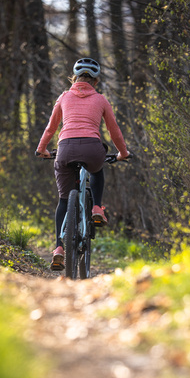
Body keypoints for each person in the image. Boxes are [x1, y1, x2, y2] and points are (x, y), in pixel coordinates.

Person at [35, 57, 130, 271]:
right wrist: (123, 153)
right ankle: (97, 207)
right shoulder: (101, 100)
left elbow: (51, 128)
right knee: (97, 168)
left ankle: (59, 248)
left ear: (74, 78)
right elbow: (114, 131)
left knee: (63, 199)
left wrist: (42, 149)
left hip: (65, 149)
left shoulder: (63, 97)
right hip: (92, 148)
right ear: (96, 81)